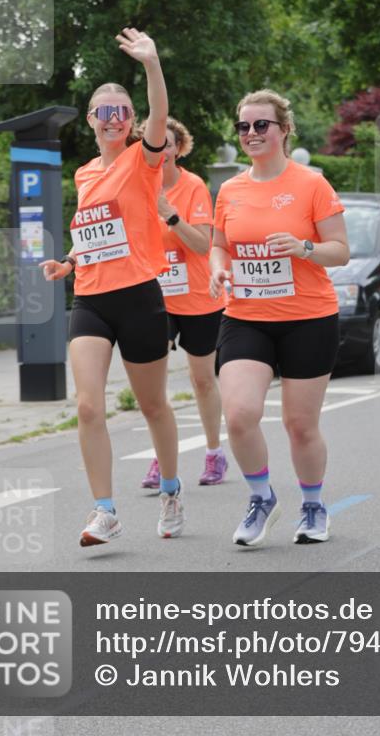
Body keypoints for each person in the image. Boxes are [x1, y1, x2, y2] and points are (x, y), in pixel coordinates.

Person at [40, 27, 185, 546]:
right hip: (92, 299)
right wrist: (69, 262)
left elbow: (160, 115)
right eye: (105, 111)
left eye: (122, 112)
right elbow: (98, 235)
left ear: (131, 123)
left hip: (140, 298)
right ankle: (105, 510)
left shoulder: (142, 161)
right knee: (87, 405)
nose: (114, 118)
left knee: (153, 407)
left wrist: (151, 64)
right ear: (91, 121)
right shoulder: (82, 176)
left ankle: (170, 489)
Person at [209, 89, 349, 547]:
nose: (251, 133)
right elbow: (219, 245)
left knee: (299, 424)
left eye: (261, 125)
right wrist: (217, 270)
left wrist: (305, 248)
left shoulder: (312, 184)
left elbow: (341, 251)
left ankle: (312, 505)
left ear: (284, 130)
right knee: (240, 415)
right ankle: (261, 497)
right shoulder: (230, 189)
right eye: (244, 127)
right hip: (246, 316)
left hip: (308, 317)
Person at [140, 117, 228, 490]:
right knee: (153, 386)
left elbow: (202, 244)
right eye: (155, 144)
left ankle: (213, 454)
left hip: (196, 296)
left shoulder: (193, 188)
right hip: (154, 296)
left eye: (169, 144)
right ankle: (161, 458)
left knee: (202, 379)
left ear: (178, 149)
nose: (162, 150)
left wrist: (169, 214)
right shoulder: (138, 185)